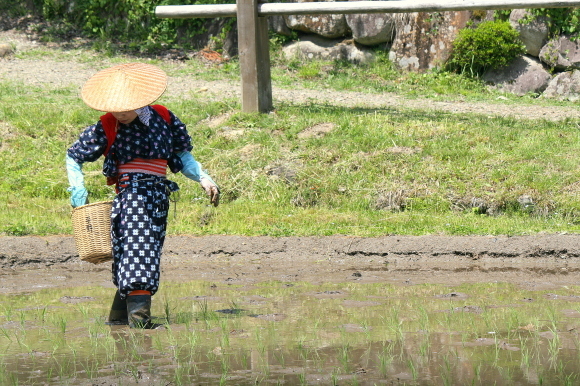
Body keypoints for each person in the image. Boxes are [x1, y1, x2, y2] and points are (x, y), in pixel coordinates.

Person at [66, 63, 220, 329]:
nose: (120, 113)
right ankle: (140, 320)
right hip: (131, 196)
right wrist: (77, 187)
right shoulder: (107, 125)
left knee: (137, 253)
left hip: (158, 196)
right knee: (139, 250)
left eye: (125, 108)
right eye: (115, 108)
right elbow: (74, 156)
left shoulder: (164, 119)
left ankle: (118, 318)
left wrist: (203, 178)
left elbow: (181, 156)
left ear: (141, 102)